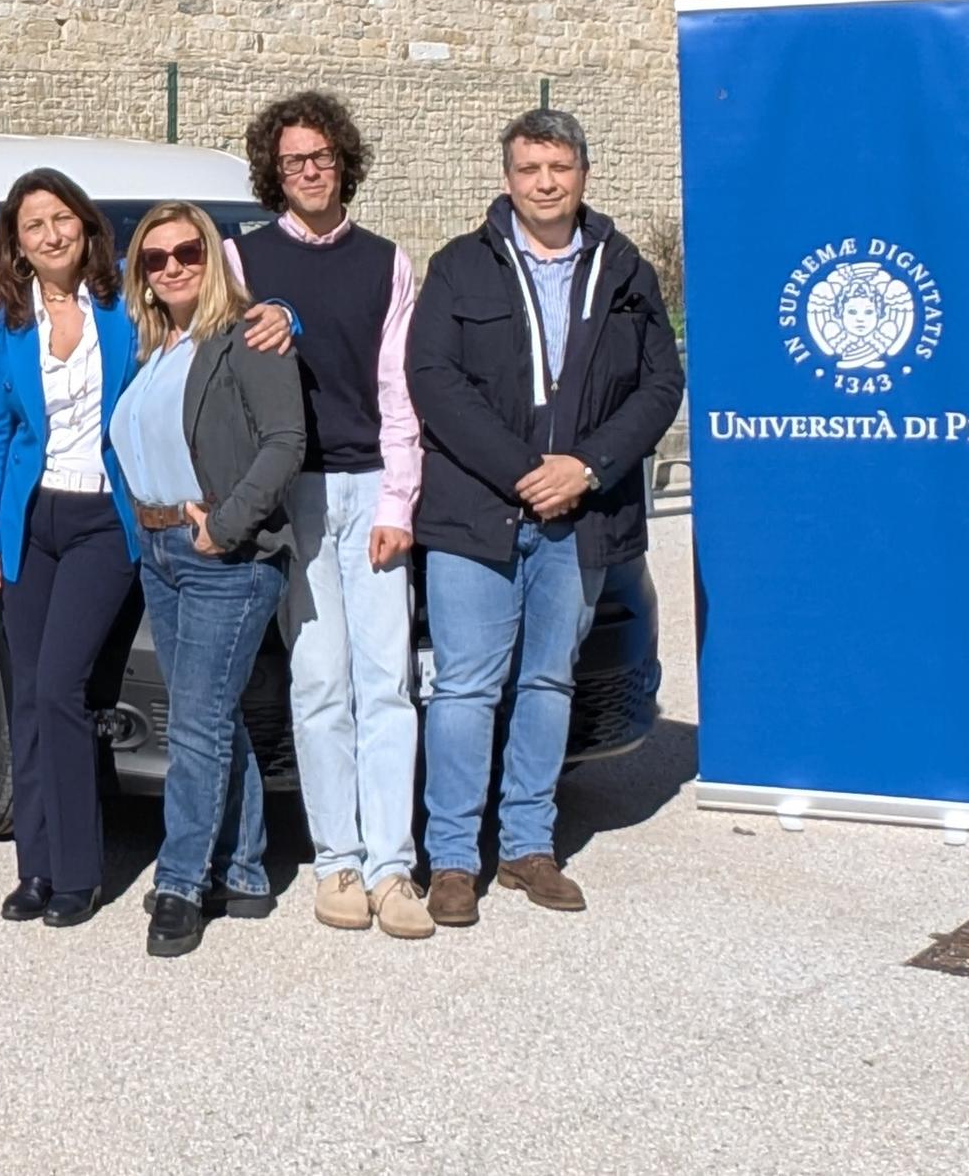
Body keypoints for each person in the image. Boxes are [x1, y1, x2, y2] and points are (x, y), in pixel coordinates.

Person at [404, 107, 686, 927]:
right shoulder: (460, 267)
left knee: (548, 678)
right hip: (475, 518)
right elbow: (435, 380)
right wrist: (526, 472)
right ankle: (453, 857)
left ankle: (529, 844)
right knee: (463, 687)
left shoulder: (626, 269)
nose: (546, 183)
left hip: (582, 517)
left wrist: (586, 469)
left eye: (559, 167)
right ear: (507, 179)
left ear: (583, 174)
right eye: (530, 169)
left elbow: (660, 387)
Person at [227, 91, 434, 941]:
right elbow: (227, 380)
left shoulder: (388, 262)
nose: (308, 171)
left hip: (370, 486)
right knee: (318, 683)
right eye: (291, 162)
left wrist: (400, 501)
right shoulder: (242, 261)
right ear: (273, 176)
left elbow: (399, 393)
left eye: (319, 157)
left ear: (343, 160)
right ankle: (336, 859)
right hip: (295, 493)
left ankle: (393, 868)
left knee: (386, 682)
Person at [113, 199, 307, 959]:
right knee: (211, 717)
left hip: (224, 558)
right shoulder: (155, 346)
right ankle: (249, 871)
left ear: (214, 257)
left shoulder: (248, 337)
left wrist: (225, 525)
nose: (171, 268)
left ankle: (182, 882)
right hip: (163, 554)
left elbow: (285, 442)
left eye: (186, 253)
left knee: (194, 720)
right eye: (154, 259)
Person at [0, 169, 139, 928]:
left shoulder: (127, 297)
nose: (51, 234)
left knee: (62, 687)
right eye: (35, 225)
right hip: (31, 521)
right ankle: (34, 868)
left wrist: (281, 318)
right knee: (27, 693)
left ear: (85, 224)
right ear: (18, 243)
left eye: (61, 218)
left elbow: (224, 313)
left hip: (104, 519)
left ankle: (77, 871)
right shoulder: (3, 318)